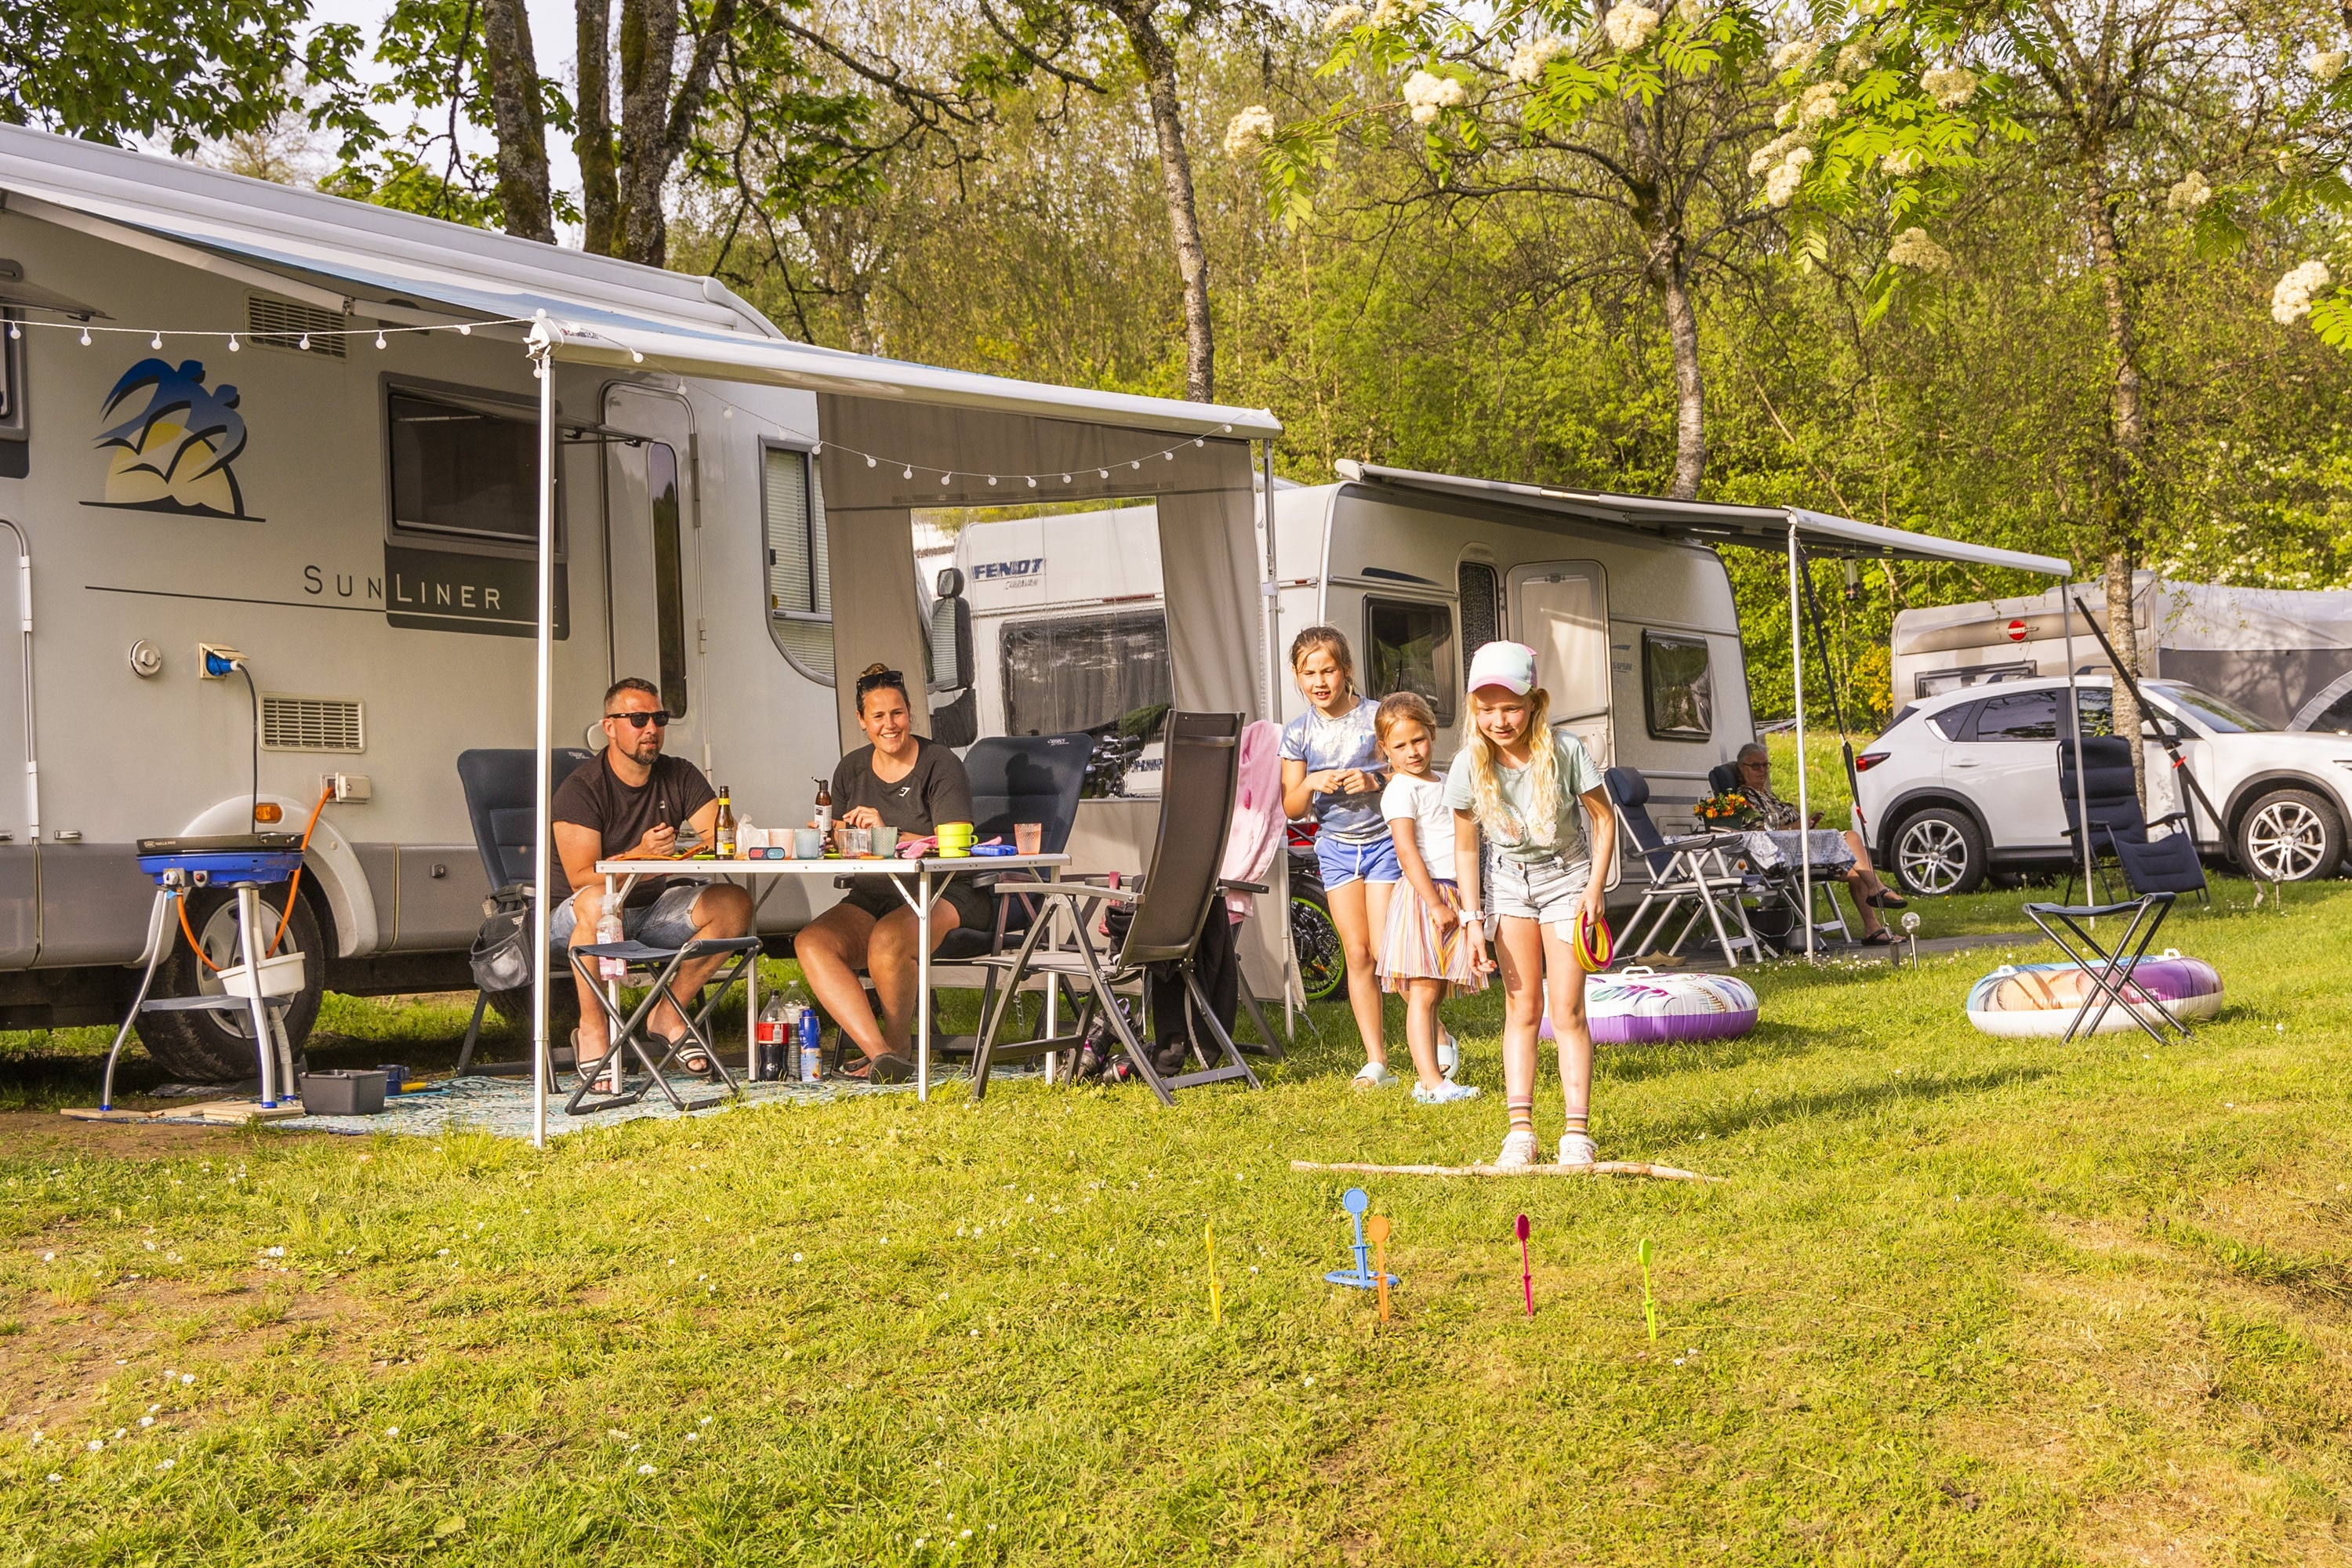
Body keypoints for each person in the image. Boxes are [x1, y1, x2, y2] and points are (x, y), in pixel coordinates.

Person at [1448, 641, 1617, 1169]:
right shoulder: (1468, 764)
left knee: (1566, 1010)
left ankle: (1575, 1133)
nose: (1499, 720)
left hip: (1567, 881)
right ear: (1474, 709)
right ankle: (1520, 1132)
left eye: (1511, 707)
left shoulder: (1565, 751)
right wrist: (1472, 921)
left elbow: (1604, 820)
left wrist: (1595, 889)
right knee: (1522, 1009)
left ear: (1534, 702)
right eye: (1487, 708)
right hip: (1507, 885)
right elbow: (1466, 845)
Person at [793, 664, 990, 1082]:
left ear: (910, 713)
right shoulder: (850, 769)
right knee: (811, 942)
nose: (890, 725)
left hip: (944, 894)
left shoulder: (940, 763)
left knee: (888, 938)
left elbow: (954, 846)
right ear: (862, 721)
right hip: (874, 894)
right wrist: (834, 839)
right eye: (878, 716)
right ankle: (883, 1055)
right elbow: (853, 844)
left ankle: (901, 1047)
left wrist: (889, 833)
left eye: (897, 713)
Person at [551, 677, 754, 1081]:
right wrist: (641, 857)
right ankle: (592, 1027)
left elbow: (721, 837)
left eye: (659, 718)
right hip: (576, 918)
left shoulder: (678, 774)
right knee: (596, 901)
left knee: (734, 903)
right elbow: (580, 878)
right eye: (638, 718)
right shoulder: (581, 788)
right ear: (609, 726)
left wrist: (740, 841)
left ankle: (668, 1011)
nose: (651, 729)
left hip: (649, 909)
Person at [1278, 626, 1398, 1089]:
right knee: (1358, 953)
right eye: (1309, 673)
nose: (1319, 681)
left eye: (1328, 669)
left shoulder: (1377, 717)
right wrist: (1310, 783)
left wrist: (1374, 782)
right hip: (1336, 850)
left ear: (1347, 670)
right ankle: (1377, 1061)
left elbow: (1412, 771)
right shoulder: (1297, 733)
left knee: (1390, 951)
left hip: (1386, 842)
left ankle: (1437, 1037)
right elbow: (1291, 807)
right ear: (1296, 675)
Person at [1374, 692, 1483, 1105]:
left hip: (1450, 890)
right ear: (1385, 749)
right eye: (1399, 746)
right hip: (1425, 894)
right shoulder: (1401, 789)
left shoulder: (1440, 782)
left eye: (1417, 740)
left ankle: (1433, 1072)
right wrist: (1435, 903)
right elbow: (1407, 852)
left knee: (1434, 990)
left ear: (1432, 734)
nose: (1411, 752)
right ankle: (1430, 1082)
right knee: (1421, 991)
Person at [1731, 741, 1904, 944]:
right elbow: (1757, 833)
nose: (1762, 770)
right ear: (1742, 769)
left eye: (1765, 765)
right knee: (1851, 838)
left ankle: (1873, 928)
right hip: (1779, 860)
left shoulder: (1767, 795)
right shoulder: (1743, 798)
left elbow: (1786, 822)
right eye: (1756, 766)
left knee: (1857, 868)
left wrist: (1805, 823)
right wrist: (1794, 828)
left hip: (1799, 851)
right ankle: (1878, 889)